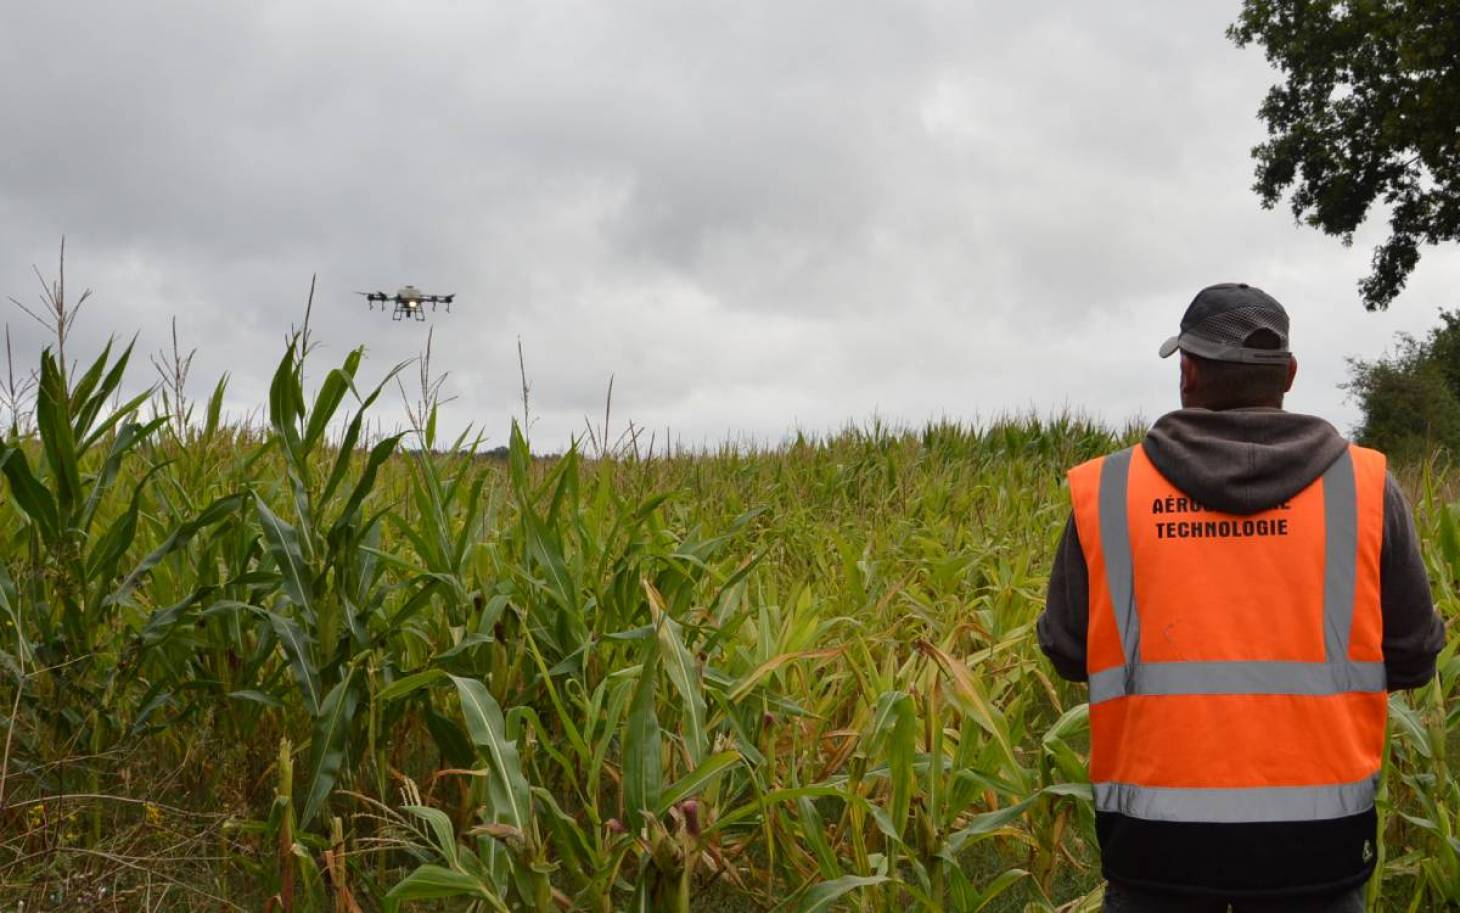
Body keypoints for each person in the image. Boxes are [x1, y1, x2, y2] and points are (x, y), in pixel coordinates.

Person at [1037, 283, 1446, 912]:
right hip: (1322, 846)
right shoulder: (1366, 488)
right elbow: (1415, 658)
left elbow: (1069, 652)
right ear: (1288, 374)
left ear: (1188, 371)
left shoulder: (1109, 491)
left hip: (1153, 844)